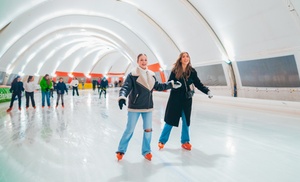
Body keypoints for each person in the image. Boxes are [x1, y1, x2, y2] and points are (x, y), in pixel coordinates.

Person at [116, 53, 182, 161]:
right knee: (129, 129)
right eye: (141, 60)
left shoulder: (151, 74)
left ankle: (146, 151)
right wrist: (122, 96)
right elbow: (126, 87)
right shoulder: (132, 74)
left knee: (148, 130)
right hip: (135, 107)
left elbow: (158, 86)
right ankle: (121, 150)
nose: (144, 62)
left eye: (145, 60)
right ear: (138, 61)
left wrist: (171, 84)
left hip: (148, 108)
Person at [158, 52, 213, 151]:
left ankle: (185, 141)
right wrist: (173, 85)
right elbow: (169, 83)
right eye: (183, 57)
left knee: (186, 121)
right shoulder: (175, 71)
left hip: (186, 100)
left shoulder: (192, 71)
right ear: (180, 59)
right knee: (170, 121)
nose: (185, 58)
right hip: (175, 100)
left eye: (187, 57)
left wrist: (207, 91)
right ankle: (162, 141)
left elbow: (198, 84)